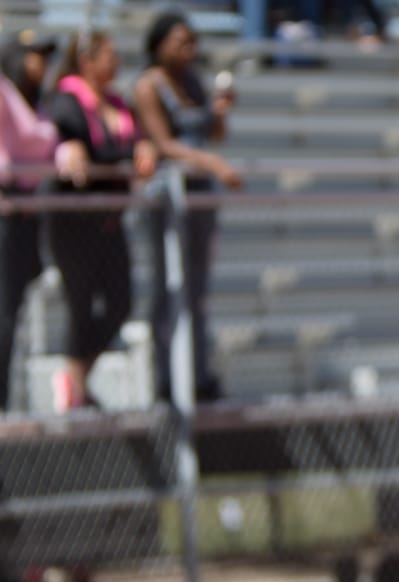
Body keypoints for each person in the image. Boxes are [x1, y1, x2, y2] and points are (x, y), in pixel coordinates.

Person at [133, 10, 243, 404]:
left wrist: (220, 111)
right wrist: (211, 163)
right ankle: (168, 378)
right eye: (181, 42)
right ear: (159, 44)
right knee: (170, 287)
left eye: (193, 42)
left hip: (200, 196)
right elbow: (163, 144)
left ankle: (197, 375)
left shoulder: (193, 82)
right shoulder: (148, 86)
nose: (189, 49)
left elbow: (215, 133)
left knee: (197, 289)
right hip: (169, 196)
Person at [45, 30, 157, 412]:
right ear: (87, 62)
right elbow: (85, 147)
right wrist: (127, 155)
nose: (116, 62)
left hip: (111, 220)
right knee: (81, 304)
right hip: (74, 222)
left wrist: (142, 148)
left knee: (120, 304)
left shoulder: (118, 104)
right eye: (108, 55)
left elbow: (126, 146)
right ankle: (76, 386)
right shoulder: (66, 99)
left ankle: (75, 376)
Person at [0, 30, 87, 411]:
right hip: (6, 215)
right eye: (34, 55)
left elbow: (51, 146)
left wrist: (68, 151)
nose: (42, 63)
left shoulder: (39, 102)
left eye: (46, 56)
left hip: (24, 218)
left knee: (9, 315)